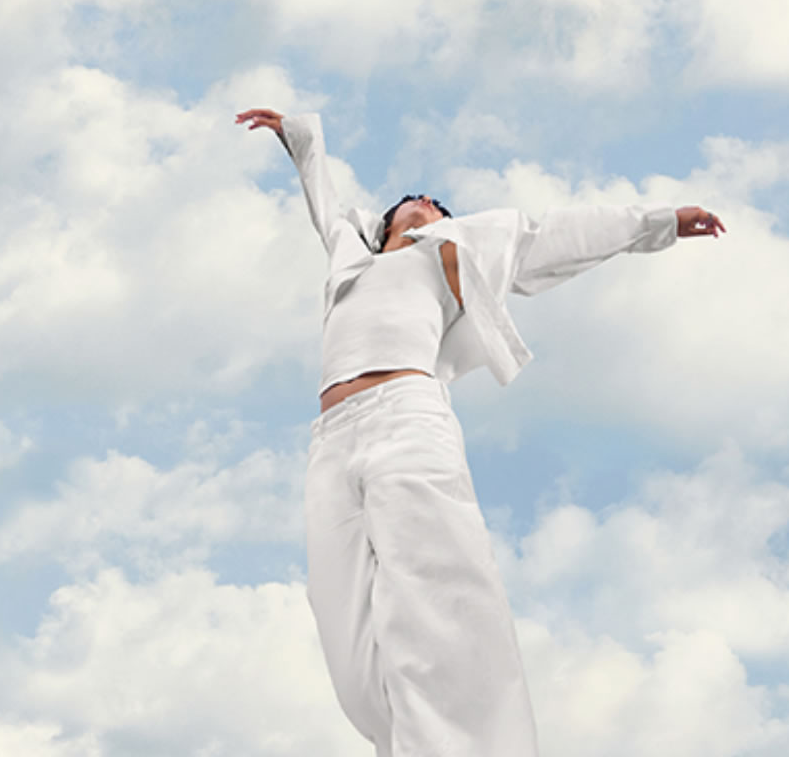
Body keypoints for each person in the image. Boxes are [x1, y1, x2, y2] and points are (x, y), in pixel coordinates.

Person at [236, 107, 725, 757]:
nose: (429, 202)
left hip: (406, 417)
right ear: (385, 220)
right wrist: (297, 135)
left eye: (440, 205)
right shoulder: (350, 254)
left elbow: (553, 233)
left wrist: (659, 221)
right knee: (342, 625)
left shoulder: (453, 251)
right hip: (331, 441)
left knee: (440, 597)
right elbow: (323, 196)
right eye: (416, 198)